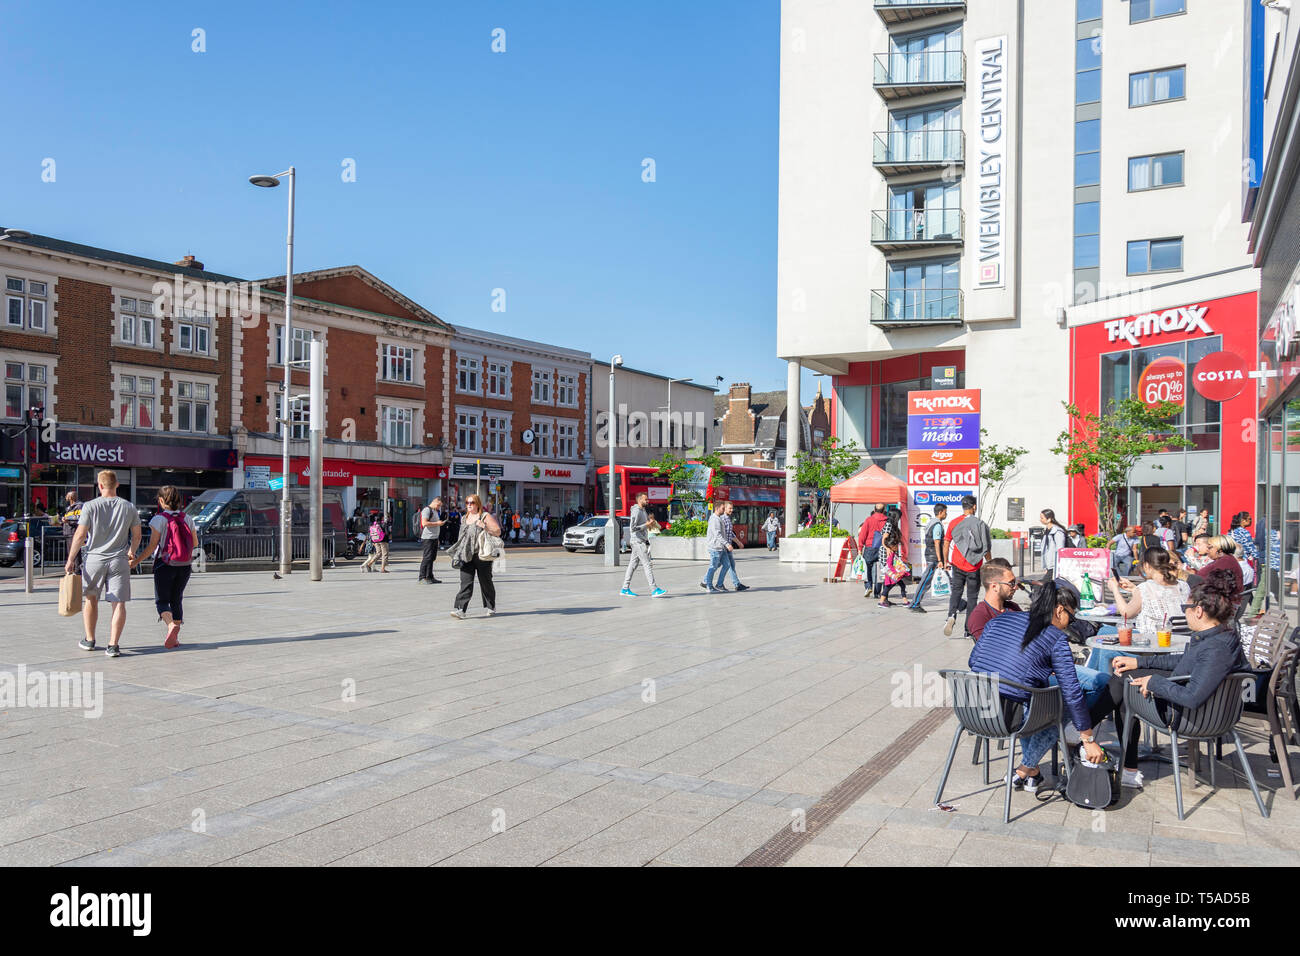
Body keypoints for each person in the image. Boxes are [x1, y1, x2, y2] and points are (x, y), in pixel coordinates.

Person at [1101, 569, 1248, 789]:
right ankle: (1116, 758)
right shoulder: (1218, 636)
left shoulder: (1216, 648)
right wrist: (1139, 663)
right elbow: (1183, 663)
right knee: (1125, 676)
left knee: (1124, 686)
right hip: (1202, 710)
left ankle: (1084, 731)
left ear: (1198, 611)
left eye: (1185, 608)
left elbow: (1192, 697)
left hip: (1191, 717)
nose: (1184, 613)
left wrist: (1154, 683)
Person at [968, 579, 1109, 791]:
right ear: (1059, 610)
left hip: (972, 710)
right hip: (1007, 717)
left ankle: (1031, 773)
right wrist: (1088, 738)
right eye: (1070, 619)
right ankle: (1025, 769)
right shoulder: (1056, 638)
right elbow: (1072, 692)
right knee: (1058, 709)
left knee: (1037, 697)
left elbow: (973, 661)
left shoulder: (999, 620)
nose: (1069, 625)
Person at [65, 470, 142, 658]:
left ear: (99, 486)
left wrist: (70, 560)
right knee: (119, 603)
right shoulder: (128, 507)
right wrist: (131, 551)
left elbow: (80, 535)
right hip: (119, 559)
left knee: (91, 598)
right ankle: (113, 645)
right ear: (117, 484)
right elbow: (137, 535)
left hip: (94, 559)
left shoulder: (90, 506)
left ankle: (90, 640)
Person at [130, 485, 198, 649]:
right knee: (177, 599)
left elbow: (153, 546)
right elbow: (195, 543)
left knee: (162, 601)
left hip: (164, 564)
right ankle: (174, 638)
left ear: (161, 501)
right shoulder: (187, 518)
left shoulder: (158, 519)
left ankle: (170, 626)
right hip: (185, 565)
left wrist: (136, 561)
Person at [1106, 547, 1190, 636]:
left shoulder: (1145, 587)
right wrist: (1135, 589)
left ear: (1146, 565)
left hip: (1154, 641)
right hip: (1182, 638)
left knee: (1104, 631)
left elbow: (1126, 614)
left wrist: (1115, 589)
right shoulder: (1184, 585)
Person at [944, 495, 992, 638]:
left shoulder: (954, 523)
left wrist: (945, 560)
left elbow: (946, 543)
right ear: (974, 506)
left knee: (956, 591)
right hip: (974, 567)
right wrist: (989, 563)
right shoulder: (980, 524)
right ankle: (968, 630)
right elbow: (986, 548)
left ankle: (951, 615)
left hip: (957, 564)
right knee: (972, 598)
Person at [449, 494, 503, 619]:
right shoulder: (464, 518)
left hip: (482, 555)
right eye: (467, 502)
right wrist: (458, 552)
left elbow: (498, 531)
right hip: (466, 555)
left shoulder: (485, 516)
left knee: (486, 582)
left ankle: (491, 606)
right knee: (465, 583)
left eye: (472, 502)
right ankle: (460, 609)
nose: (469, 504)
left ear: (477, 504)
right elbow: (461, 538)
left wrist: (484, 526)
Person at [621, 491, 666, 598]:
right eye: (645, 499)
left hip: (639, 540)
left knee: (632, 565)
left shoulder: (643, 510)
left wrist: (649, 524)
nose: (647, 501)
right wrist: (646, 524)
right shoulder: (636, 511)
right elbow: (633, 528)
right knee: (647, 564)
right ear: (640, 500)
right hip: (637, 541)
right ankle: (654, 589)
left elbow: (644, 525)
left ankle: (625, 588)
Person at [967, 559, 1022, 641]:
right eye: (1011, 583)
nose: (1015, 587)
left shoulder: (1013, 607)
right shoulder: (979, 616)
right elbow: (990, 649)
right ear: (994, 586)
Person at [908, 503, 947, 613]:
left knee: (944, 579)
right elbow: (937, 542)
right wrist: (940, 560)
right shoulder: (937, 525)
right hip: (934, 556)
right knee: (926, 581)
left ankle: (959, 603)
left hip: (931, 554)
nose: (946, 514)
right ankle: (915, 603)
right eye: (945, 512)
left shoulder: (931, 522)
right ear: (940, 512)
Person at [857, 504, 888, 600]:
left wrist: (860, 548)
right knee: (880, 571)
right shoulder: (887, 520)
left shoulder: (869, 520)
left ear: (874, 510)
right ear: (884, 511)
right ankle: (877, 592)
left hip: (870, 547)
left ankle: (868, 587)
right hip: (883, 548)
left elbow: (862, 534)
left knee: (867, 569)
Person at [876, 530, 908, 608]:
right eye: (896, 546)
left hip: (894, 575)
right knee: (887, 588)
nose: (897, 547)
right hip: (892, 576)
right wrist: (895, 573)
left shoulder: (893, 553)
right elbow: (889, 565)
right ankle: (881, 601)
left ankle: (905, 601)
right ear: (892, 546)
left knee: (902, 585)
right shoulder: (891, 554)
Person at [418, 497, 446, 584]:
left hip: (434, 537)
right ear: (434, 501)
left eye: (440, 506)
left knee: (432, 558)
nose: (438, 507)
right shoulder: (427, 510)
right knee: (427, 557)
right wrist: (437, 523)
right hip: (428, 538)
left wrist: (437, 538)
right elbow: (424, 523)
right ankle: (422, 577)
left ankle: (429, 576)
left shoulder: (435, 511)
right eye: (438, 505)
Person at [1039, 509, 1070, 576]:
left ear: (1049, 519)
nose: (1040, 520)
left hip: (1054, 565)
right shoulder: (1047, 530)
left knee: (1044, 585)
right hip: (1049, 565)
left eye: (1042, 518)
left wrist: (1057, 565)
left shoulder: (1057, 531)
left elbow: (1060, 549)